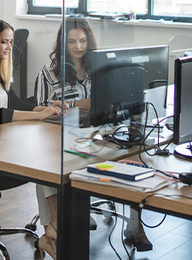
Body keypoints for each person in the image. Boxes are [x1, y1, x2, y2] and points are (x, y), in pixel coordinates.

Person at [32, 18, 150, 258]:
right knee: (46, 163)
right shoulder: (50, 70)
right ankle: (54, 228)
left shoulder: (100, 66)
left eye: (83, 40)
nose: (78, 46)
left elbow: (109, 99)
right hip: (64, 135)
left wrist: (80, 103)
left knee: (136, 153)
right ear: (63, 42)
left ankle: (135, 224)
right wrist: (74, 105)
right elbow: (41, 110)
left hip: (99, 134)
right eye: (72, 41)